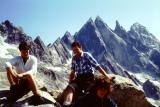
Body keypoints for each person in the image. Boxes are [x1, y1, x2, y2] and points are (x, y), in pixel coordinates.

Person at [62, 41, 113, 107]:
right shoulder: (74, 58)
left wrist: (106, 76)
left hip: (88, 78)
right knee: (70, 88)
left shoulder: (86, 55)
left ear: (81, 48)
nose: (75, 52)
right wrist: (70, 82)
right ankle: (66, 104)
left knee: (88, 93)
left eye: (76, 49)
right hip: (79, 78)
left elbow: (97, 66)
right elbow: (73, 72)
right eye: (73, 50)